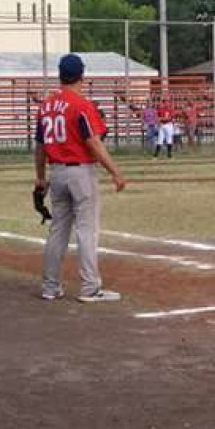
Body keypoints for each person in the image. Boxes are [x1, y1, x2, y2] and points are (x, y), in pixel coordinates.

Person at [35, 54, 127, 303]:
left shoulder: (47, 106)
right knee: (87, 230)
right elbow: (93, 142)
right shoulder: (81, 105)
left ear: (60, 74)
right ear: (82, 76)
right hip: (80, 172)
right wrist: (115, 171)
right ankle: (89, 288)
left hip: (57, 172)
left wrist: (40, 178)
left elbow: (40, 146)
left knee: (58, 231)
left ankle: (50, 287)